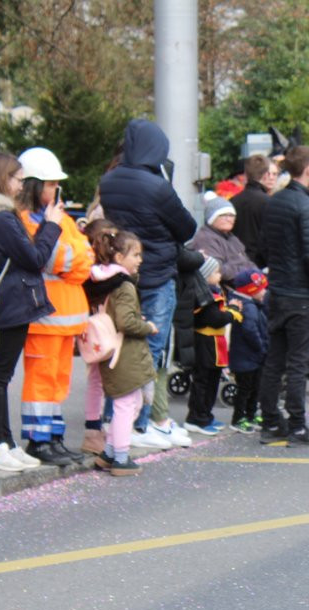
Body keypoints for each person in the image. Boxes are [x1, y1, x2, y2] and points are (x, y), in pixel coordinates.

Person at [99, 118, 197, 449]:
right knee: (152, 352)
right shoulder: (158, 186)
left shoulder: (109, 182)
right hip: (157, 274)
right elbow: (186, 228)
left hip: (124, 275)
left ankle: (116, 420)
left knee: (120, 349)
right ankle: (140, 424)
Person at [0, 153, 60, 472]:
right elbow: (34, 258)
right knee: (2, 373)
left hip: (13, 297)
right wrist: (51, 227)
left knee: (3, 372)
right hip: (13, 298)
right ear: (3, 178)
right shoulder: (1, 217)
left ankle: (6, 442)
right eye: (17, 178)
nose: (21, 184)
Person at [17, 147, 93, 466]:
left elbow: (85, 258)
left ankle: (54, 437)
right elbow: (57, 258)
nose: (54, 189)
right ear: (33, 185)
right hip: (43, 318)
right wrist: (72, 255)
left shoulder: (58, 219)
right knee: (41, 379)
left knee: (58, 380)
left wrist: (71, 255)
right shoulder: (24, 221)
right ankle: (38, 440)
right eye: (49, 184)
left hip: (63, 319)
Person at [257, 145, 309, 446]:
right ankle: (298, 425)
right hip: (301, 294)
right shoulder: (307, 206)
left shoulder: (275, 201)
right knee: (299, 363)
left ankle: (271, 420)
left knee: (275, 359)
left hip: (278, 289)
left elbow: (264, 246)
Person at [91, 230, 159, 477]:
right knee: (126, 403)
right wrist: (148, 327)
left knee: (129, 401)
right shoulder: (124, 285)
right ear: (119, 256)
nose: (140, 259)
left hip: (111, 351)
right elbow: (126, 322)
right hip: (123, 352)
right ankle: (120, 456)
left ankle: (109, 452)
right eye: (136, 255)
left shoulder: (104, 280)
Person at [80, 219, 123, 456]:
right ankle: (93, 430)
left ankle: (98, 428)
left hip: (99, 326)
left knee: (98, 379)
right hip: (101, 327)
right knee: (98, 379)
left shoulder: (98, 268)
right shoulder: (103, 271)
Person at [184, 256, 239, 435]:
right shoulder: (204, 296)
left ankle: (206, 414)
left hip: (215, 342)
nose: (220, 274)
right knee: (203, 381)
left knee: (212, 381)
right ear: (205, 276)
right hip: (204, 342)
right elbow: (215, 319)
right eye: (215, 272)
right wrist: (232, 312)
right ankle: (196, 418)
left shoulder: (214, 292)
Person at [228, 269, 269, 433]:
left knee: (254, 387)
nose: (264, 292)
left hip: (251, 357)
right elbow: (250, 331)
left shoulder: (253, 305)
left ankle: (250, 415)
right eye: (261, 289)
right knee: (246, 389)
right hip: (247, 356)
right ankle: (238, 418)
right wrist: (261, 347)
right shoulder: (250, 308)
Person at [190, 193, 256, 284]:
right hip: (226, 290)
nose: (229, 219)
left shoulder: (231, 237)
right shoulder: (206, 238)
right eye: (224, 215)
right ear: (212, 218)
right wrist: (245, 270)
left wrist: (256, 273)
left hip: (246, 283)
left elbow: (248, 263)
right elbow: (218, 271)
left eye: (232, 215)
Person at [230, 155, 278, 268]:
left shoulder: (233, 201)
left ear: (246, 174)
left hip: (236, 263)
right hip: (260, 266)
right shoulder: (269, 203)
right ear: (266, 174)